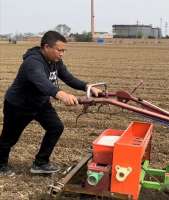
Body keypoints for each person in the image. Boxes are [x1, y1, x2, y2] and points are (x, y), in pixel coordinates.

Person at [0, 31, 101, 176]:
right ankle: (1, 164)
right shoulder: (32, 62)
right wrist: (60, 94)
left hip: (40, 103)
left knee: (56, 127)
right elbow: (41, 82)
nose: (62, 54)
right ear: (46, 47)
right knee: (9, 138)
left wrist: (88, 87)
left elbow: (68, 77)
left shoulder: (55, 62)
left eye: (63, 50)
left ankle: (40, 163)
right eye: (59, 50)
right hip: (19, 105)